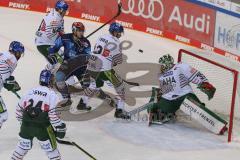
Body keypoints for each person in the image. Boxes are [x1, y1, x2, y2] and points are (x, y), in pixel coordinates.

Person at [11, 69, 66, 160]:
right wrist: (59, 127)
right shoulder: (52, 95)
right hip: (43, 128)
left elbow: (18, 110)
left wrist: (24, 123)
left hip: (26, 126)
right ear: (50, 81)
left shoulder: (30, 91)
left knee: (21, 148)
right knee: (51, 151)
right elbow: (53, 115)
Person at [147, 54, 216, 125]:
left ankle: (211, 118)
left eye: (162, 65)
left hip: (185, 96)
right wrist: (160, 94)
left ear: (166, 64)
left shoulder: (180, 66)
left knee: (196, 108)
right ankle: (168, 114)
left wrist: (205, 84)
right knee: (155, 109)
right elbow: (166, 90)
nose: (160, 67)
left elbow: (196, 74)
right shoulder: (161, 76)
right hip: (170, 100)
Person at [85, 22, 130, 119]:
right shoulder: (116, 43)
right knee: (121, 87)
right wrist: (112, 61)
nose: (120, 35)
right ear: (114, 32)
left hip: (91, 65)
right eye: (119, 33)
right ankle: (119, 111)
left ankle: (83, 103)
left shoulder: (101, 36)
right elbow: (118, 60)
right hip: (104, 70)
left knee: (93, 85)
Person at [48, 22, 91, 110]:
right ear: (74, 30)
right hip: (67, 64)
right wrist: (51, 53)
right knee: (58, 80)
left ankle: (82, 104)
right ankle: (67, 99)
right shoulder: (65, 38)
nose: (81, 33)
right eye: (79, 31)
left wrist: (80, 51)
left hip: (80, 67)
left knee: (88, 85)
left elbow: (87, 58)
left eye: (82, 31)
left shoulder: (86, 43)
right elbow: (54, 47)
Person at [0, 41, 24, 128]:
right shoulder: (13, 59)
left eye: (20, 53)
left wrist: (10, 82)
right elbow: (6, 81)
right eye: (18, 53)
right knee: (3, 116)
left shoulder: (2, 53)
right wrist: (10, 83)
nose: (19, 55)